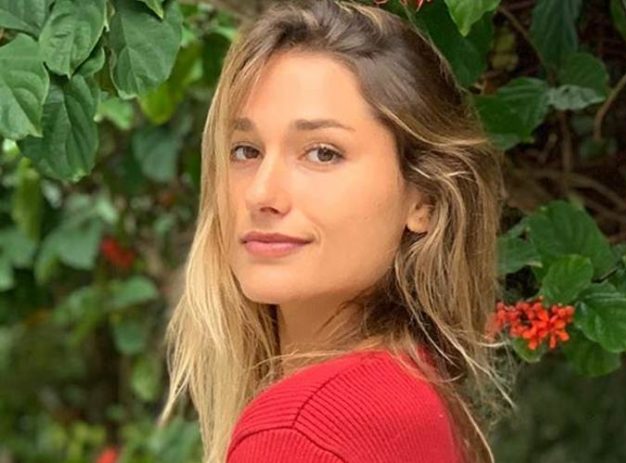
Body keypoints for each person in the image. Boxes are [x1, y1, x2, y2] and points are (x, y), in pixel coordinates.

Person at [158, 0, 515, 462]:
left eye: (323, 153)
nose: (261, 193)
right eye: (246, 150)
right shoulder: (415, 394)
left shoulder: (300, 432)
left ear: (424, 200)